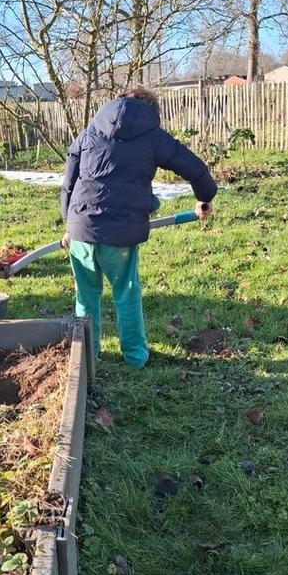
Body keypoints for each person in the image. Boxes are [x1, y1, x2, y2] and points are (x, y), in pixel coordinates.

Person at [61, 86, 217, 367]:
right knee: (126, 294)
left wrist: (68, 224)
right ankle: (134, 357)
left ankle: (87, 357)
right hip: (120, 234)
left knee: (85, 297)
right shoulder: (151, 134)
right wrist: (205, 197)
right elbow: (195, 168)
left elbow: (69, 179)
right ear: (151, 111)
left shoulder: (90, 131)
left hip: (81, 227)